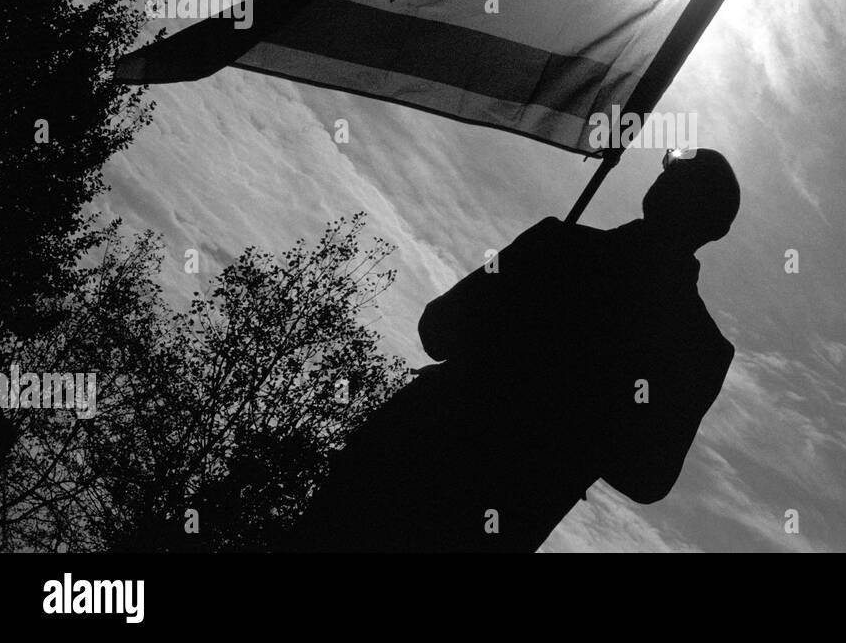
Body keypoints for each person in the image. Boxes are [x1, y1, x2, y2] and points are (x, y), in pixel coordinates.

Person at [292, 147, 740, 552]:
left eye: (677, 171)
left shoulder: (555, 243)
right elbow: (648, 477)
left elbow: (438, 327)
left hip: (405, 462)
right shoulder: (701, 348)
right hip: (498, 510)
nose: (664, 174)